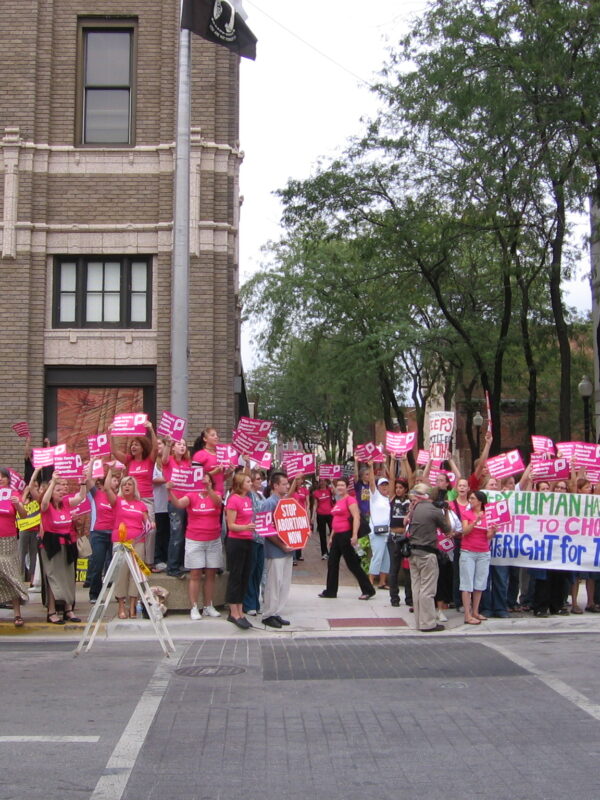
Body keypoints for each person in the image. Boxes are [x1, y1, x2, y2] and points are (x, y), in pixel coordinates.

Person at [167, 473, 223, 620]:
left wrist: (209, 489)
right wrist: (169, 491)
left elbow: (218, 502)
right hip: (194, 540)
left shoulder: (216, 494)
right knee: (195, 574)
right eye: (202, 480)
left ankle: (208, 605)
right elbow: (178, 504)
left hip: (213, 540)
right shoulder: (191, 496)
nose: (204, 482)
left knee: (211, 574)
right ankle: (194, 607)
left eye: (207, 480)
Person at [39, 471, 87, 624]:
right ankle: (51, 612)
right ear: (52, 492)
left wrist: (83, 482)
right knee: (54, 578)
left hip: (66, 545)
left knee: (67, 578)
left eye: (62, 490)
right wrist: (53, 482)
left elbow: (81, 497)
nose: (61, 493)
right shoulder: (46, 507)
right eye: (57, 491)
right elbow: (44, 502)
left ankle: (68, 610)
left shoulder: (66, 504)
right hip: (51, 546)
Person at [103, 468, 150, 620]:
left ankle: (133, 606)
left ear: (134, 487)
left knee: (135, 574)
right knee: (121, 573)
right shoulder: (117, 501)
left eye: (129, 484)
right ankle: (121, 605)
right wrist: (110, 470)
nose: (127, 487)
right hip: (121, 541)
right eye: (124, 485)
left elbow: (146, 521)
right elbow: (106, 488)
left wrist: (151, 524)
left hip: (138, 542)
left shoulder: (141, 505)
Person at [110, 419, 158, 566]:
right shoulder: (128, 461)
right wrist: (111, 434)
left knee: (150, 530)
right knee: (129, 527)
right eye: (132, 445)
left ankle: (147, 561)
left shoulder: (149, 460)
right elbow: (114, 451)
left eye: (136, 444)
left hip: (146, 500)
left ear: (143, 447)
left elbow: (155, 449)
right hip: (130, 500)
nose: (133, 447)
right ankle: (128, 557)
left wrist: (151, 429)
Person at [318, 477, 375, 600]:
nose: (339, 487)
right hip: (337, 536)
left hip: (346, 535)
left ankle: (368, 590)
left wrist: (354, 535)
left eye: (342, 485)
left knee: (352, 564)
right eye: (338, 485)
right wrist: (332, 537)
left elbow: (356, 518)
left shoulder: (350, 500)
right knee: (332, 562)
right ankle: (330, 591)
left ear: (347, 487)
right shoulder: (339, 500)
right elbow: (336, 520)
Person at [255, 471, 299, 629]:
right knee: (273, 583)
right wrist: (282, 545)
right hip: (275, 550)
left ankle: (276, 611)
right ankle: (268, 614)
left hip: (287, 549)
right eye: (284, 484)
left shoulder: (284, 502)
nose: (287, 486)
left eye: (288, 484)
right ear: (275, 485)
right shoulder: (269, 503)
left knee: (283, 583)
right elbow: (265, 529)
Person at [406, 483, 451, 632]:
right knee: (427, 590)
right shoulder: (433, 510)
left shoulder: (415, 508)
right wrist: (445, 511)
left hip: (413, 553)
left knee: (416, 588)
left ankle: (419, 621)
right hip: (427, 553)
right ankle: (428, 623)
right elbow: (447, 530)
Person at [459, 490, 496, 625]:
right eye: (470, 498)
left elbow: (488, 536)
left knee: (480, 583)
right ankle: (467, 614)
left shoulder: (488, 515)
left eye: (473, 498)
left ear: (480, 501)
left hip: (483, 552)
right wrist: (475, 521)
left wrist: (493, 531)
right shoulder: (466, 513)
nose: (470, 501)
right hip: (468, 551)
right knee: (467, 583)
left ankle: (475, 611)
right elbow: (465, 531)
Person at [225, 472, 256, 629]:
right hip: (236, 541)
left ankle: (240, 609)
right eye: (248, 481)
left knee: (245, 575)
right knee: (236, 575)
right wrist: (246, 527)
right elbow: (231, 525)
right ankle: (233, 611)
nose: (251, 484)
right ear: (240, 484)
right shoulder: (234, 499)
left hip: (248, 540)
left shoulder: (248, 499)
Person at [86, 466, 119, 603]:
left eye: (117, 480)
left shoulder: (120, 496)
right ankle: (95, 594)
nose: (115, 482)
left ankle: (118, 593)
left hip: (114, 533)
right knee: (97, 563)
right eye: (112, 479)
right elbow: (87, 480)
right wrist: (93, 462)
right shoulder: (97, 494)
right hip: (98, 533)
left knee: (116, 565)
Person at [0, 467, 29, 627]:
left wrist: (18, 504)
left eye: (2, 477)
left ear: (7, 479)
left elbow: (24, 515)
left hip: (8, 540)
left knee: (11, 571)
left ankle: (17, 612)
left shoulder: (13, 494)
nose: (0, 480)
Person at [161, 437, 191, 577]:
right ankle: (172, 567)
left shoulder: (187, 463)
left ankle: (181, 563)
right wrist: (167, 444)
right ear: (173, 447)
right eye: (179, 444)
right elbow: (164, 459)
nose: (182, 446)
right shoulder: (169, 461)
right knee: (176, 535)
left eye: (184, 444)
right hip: (174, 502)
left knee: (185, 534)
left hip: (187, 502)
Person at [243, 469, 267, 616]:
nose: (259, 481)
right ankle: (249, 603)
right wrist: (246, 462)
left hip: (261, 538)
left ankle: (256, 603)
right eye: (257, 479)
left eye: (260, 479)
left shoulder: (261, 495)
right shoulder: (249, 496)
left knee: (258, 572)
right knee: (250, 572)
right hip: (251, 538)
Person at [366, 463, 391, 589]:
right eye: (382, 485)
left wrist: (388, 462)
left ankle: (382, 582)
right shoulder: (375, 497)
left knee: (386, 558)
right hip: (376, 533)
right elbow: (371, 483)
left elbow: (392, 478)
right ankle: (370, 581)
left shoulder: (388, 499)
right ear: (378, 487)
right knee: (377, 556)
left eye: (386, 484)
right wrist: (371, 467)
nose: (385, 487)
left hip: (387, 533)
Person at [388, 478, 411, 608]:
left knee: (408, 569)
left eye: (401, 487)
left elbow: (411, 478)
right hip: (394, 537)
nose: (398, 490)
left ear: (406, 489)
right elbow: (391, 481)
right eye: (397, 487)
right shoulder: (392, 499)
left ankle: (409, 597)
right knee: (394, 569)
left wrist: (404, 460)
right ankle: (394, 597)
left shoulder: (410, 501)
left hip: (406, 537)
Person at [312, 478, 334, 559]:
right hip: (320, 514)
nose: (322, 482)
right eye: (321, 481)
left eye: (324, 480)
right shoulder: (316, 492)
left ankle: (333, 551)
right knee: (322, 534)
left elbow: (336, 493)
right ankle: (324, 552)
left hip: (330, 514)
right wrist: (312, 516)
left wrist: (332, 481)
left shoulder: (330, 490)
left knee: (333, 533)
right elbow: (315, 504)